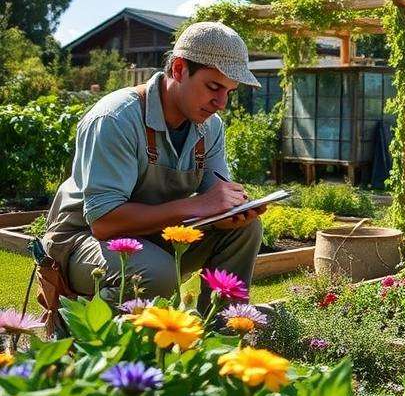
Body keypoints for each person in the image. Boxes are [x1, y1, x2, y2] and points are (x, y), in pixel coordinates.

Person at [43, 22, 265, 311]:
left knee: (245, 230)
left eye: (229, 91)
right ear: (178, 69)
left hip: (152, 234)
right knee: (157, 272)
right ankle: (80, 326)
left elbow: (214, 203)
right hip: (79, 241)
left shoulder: (209, 128)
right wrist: (196, 206)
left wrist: (230, 213)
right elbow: (104, 223)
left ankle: (222, 335)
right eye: (213, 87)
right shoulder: (115, 120)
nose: (221, 103)